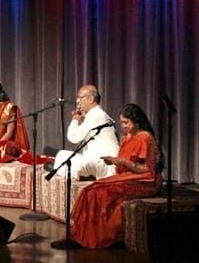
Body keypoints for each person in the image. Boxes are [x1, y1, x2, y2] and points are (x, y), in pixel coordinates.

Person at [66, 103, 164, 249]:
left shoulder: (145, 138)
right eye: (122, 123)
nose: (123, 126)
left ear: (136, 121)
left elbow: (147, 170)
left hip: (145, 181)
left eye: (126, 122)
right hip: (127, 177)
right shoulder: (127, 137)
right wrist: (113, 161)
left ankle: (102, 236)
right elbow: (124, 164)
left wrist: (122, 161)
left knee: (100, 193)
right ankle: (86, 233)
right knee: (90, 190)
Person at [51, 84, 120, 180]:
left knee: (66, 160)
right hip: (98, 162)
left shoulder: (96, 115)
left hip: (106, 164)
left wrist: (75, 120)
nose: (77, 101)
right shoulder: (96, 114)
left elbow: (74, 137)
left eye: (80, 97)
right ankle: (75, 173)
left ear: (90, 99)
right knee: (62, 154)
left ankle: (73, 174)